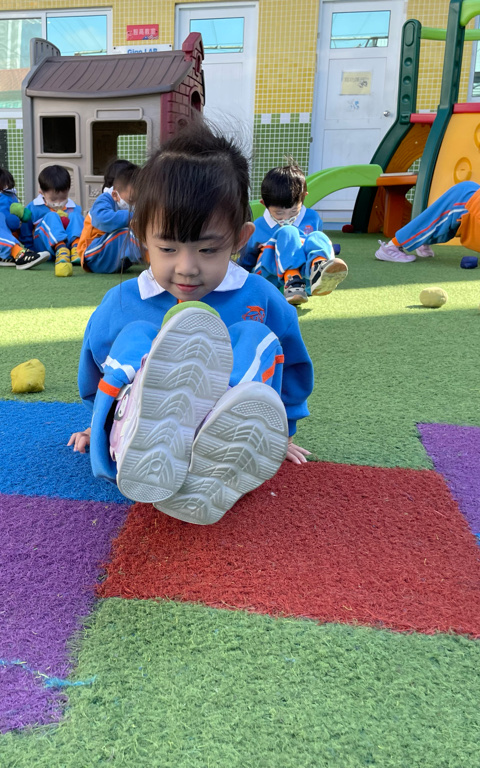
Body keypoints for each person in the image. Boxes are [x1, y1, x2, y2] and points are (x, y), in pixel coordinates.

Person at [68, 123, 314, 526]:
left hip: (228, 436)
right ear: (142, 238)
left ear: (240, 238)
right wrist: (100, 421)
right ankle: (133, 437)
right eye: (167, 248)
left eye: (208, 249)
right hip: (141, 434)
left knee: (254, 338)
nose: (187, 267)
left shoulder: (260, 297)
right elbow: (94, 369)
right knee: (139, 338)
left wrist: (280, 430)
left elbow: (293, 364)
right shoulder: (123, 304)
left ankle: (234, 436)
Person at [241, 163, 347, 305]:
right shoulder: (259, 226)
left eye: (293, 211)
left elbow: (313, 245)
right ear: (264, 204)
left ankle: (318, 271)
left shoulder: (312, 218)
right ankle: (292, 279)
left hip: (304, 279)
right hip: (270, 278)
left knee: (318, 236)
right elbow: (247, 257)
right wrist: (240, 279)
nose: (286, 217)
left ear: (303, 198)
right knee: (288, 231)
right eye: (279, 213)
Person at [76, 161, 142, 275]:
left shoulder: (125, 198)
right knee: (126, 234)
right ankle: (155, 261)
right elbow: (102, 219)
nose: (134, 205)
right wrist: (132, 216)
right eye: (132, 200)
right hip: (92, 255)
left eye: (138, 200)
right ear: (115, 194)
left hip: (115, 258)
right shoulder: (104, 199)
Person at [18, 165, 84, 275]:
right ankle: (60, 249)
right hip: (43, 247)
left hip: (69, 248)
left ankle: (77, 249)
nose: (58, 202)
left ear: (68, 190)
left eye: (63, 198)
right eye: (53, 199)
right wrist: (31, 251)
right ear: (41, 192)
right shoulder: (33, 207)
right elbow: (25, 232)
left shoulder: (74, 208)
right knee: (51, 216)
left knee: (76, 216)